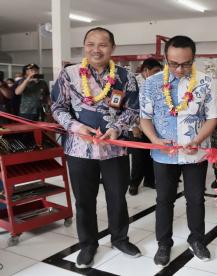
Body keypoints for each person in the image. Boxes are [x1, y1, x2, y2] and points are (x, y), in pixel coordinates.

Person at [51, 27, 141, 269]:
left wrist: (118, 128)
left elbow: (133, 110)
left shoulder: (125, 77)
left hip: (115, 149)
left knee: (117, 197)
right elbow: (57, 108)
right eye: (90, 44)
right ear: (84, 46)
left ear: (112, 48)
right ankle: (88, 245)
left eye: (102, 45)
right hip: (80, 149)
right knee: (84, 200)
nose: (96, 49)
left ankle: (120, 239)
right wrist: (77, 127)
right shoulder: (68, 74)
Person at [139, 35, 217, 267]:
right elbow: (144, 118)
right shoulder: (151, 83)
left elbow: (213, 117)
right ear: (165, 58)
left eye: (185, 63)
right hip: (163, 155)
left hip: (195, 152)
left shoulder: (206, 82)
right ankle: (163, 244)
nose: (179, 68)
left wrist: (197, 139)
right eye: (174, 63)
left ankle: (197, 240)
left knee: (195, 199)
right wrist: (155, 139)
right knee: (163, 199)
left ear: (194, 58)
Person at [128, 58, 162, 195]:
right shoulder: (134, 83)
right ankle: (134, 183)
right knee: (138, 158)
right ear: (145, 71)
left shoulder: (157, 83)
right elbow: (129, 106)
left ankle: (149, 180)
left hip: (153, 127)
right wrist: (133, 126)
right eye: (155, 71)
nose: (158, 74)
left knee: (151, 155)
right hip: (137, 126)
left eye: (160, 71)